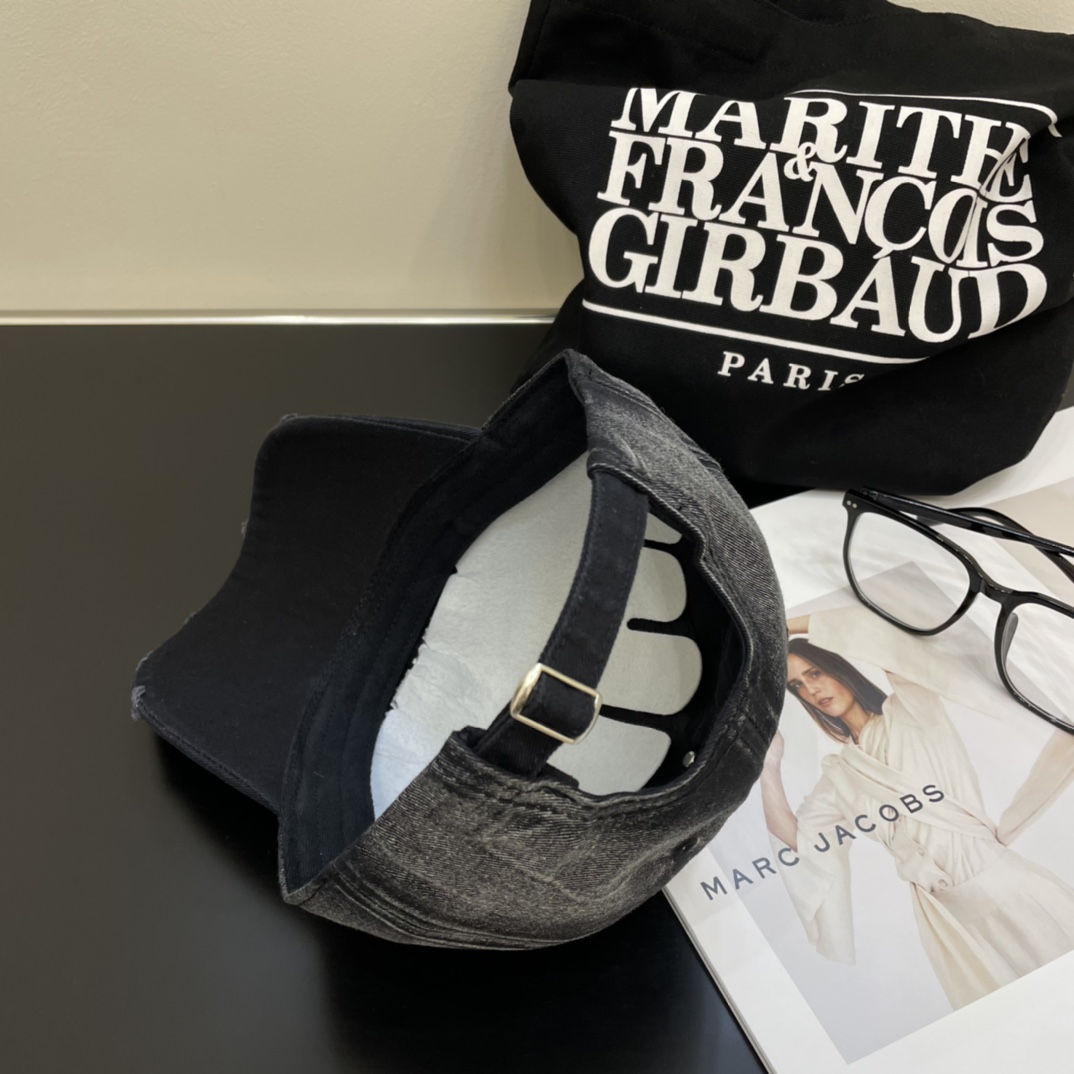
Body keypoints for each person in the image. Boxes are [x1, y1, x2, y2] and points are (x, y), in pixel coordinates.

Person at [760, 605, 1074, 1009]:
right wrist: (769, 768)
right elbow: (799, 839)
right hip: (948, 920)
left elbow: (887, 632)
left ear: (839, 668)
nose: (811, 690)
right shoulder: (839, 774)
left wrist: (781, 627)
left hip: (1013, 889)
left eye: (815, 673)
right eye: (798, 685)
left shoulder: (911, 709)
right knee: (1024, 1022)